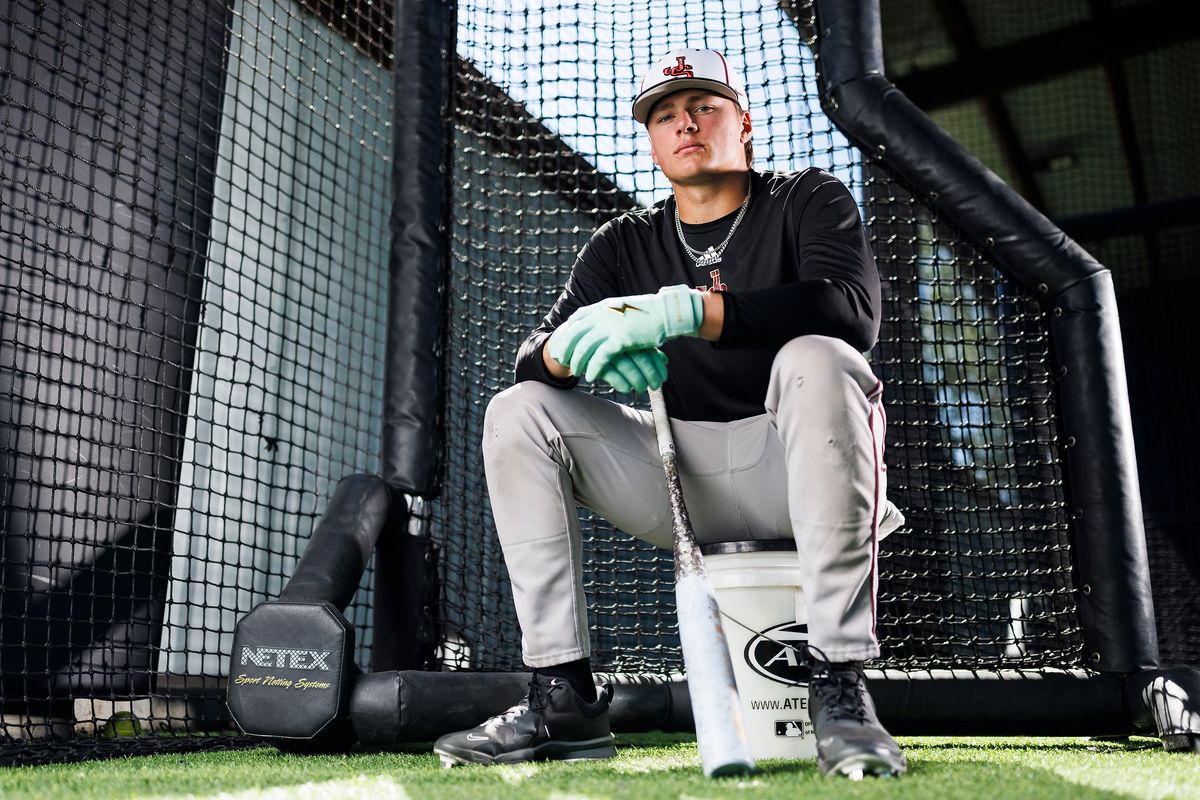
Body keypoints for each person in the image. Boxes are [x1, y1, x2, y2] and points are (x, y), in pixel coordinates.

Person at [434, 48, 907, 778]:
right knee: (519, 409)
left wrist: (692, 311)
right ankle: (563, 695)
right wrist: (577, 353)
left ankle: (839, 685)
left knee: (818, 356)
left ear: (743, 123)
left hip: (802, 463)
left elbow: (849, 311)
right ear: (652, 140)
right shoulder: (623, 243)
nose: (684, 122)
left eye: (703, 106)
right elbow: (533, 356)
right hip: (682, 478)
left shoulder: (807, 198)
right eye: (664, 114)